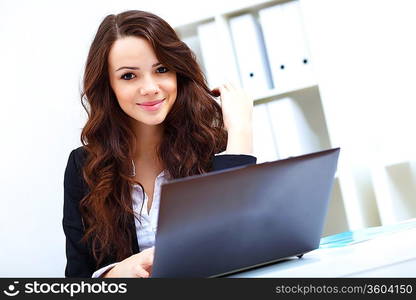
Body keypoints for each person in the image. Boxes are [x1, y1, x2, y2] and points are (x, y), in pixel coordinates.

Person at [63, 10, 256, 278]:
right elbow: (77, 278)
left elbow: (245, 242)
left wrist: (241, 131)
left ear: (178, 72)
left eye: (162, 69)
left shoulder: (214, 147)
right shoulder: (84, 167)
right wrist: (113, 276)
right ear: (108, 86)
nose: (150, 87)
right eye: (129, 76)